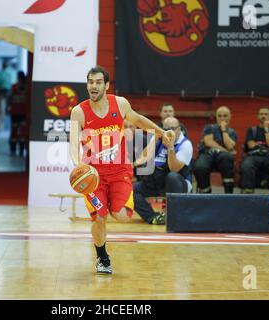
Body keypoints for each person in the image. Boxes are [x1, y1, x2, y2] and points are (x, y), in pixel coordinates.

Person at [69, 66, 174, 274]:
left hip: (119, 171)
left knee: (122, 215)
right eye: (90, 82)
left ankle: (112, 203)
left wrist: (161, 132)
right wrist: (78, 164)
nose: (94, 86)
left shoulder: (121, 104)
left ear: (106, 86)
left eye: (98, 82)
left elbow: (137, 120)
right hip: (94, 176)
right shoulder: (79, 112)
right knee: (99, 218)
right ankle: (102, 258)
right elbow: (73, 143)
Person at [133, 116, 193, 225]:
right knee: (132, 190)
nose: (169, 132)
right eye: (166, 129)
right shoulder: (158, 139)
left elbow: (174, 168)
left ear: (179, 129)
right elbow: (142, 159)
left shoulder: (185, 144)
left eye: (173, 129)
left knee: (172, 177)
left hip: (178, 185)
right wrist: (156, 137)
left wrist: (170, 147)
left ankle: (173, 216)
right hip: (158, 182)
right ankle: (153, 217)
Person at [239, 107, 269, 193]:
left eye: (266, 114)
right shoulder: (251, 130)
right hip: (254, 155)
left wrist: (266, 130)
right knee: (246, 165)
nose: (263, 116)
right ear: (258, 116)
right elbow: (250, 145)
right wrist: (267, 147)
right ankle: (247, 191)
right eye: (261, 114)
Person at [193, 106, 237, 194]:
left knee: (227, 158)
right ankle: (205, 193)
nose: (222, 118)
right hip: (207, 154)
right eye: (219, 116)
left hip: (222, 158)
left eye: (225, 116)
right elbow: (209, 142)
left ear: (230, 117)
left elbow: (230, 146)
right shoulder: (210, 127)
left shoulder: (232, 132)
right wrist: (226, 150)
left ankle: (229, 195)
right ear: (216, 117)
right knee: (199, 167)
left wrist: (224, 130)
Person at [7, 71, 31, 156]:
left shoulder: (14, 87)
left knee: (14, 129)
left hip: (15, 111)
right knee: (23, 129)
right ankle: (22, 148)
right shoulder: (28, 87)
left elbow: (9, 98)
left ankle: (13, 147)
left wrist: (8, 108)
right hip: (24, 111)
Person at [0, 60, 14, 131]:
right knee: (1, 111)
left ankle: (1, 126)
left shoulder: (8, 74)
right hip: (3, 94)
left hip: (8, 94)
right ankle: (0, 126)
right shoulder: (1, 74)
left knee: (3, 110)